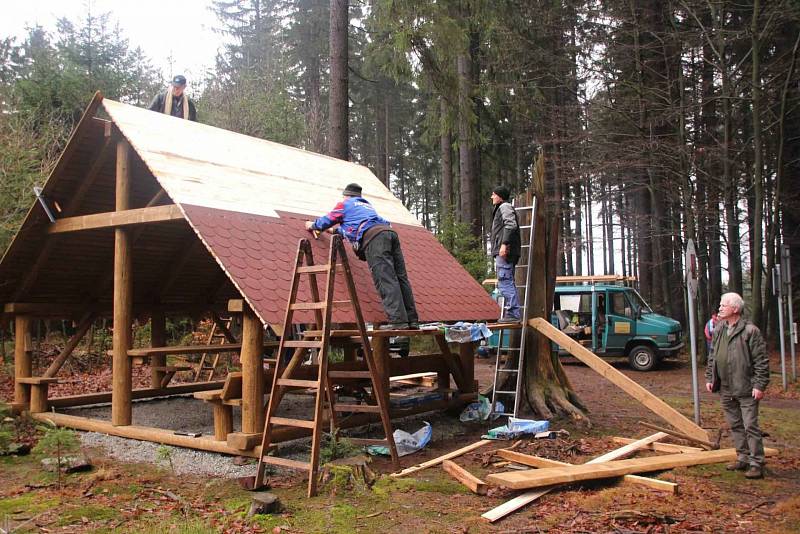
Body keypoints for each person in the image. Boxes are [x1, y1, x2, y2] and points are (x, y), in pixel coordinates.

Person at [305, 183, 418, 330]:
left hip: (375, 238)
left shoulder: (345, 204)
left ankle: (398, 322)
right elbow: (353, 228)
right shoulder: (366, 206)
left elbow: (328, 219)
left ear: (347, 195)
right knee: (401, 278)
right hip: (389, 233)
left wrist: (313, 225)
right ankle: (412, 320)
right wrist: (331, 231)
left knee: (385, 278)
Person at [705, 292, 769, 479]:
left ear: (735, 308)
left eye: (723, 305)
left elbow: (761, 361)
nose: (720, 308)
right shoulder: (719, 329)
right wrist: (710, 377)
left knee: (750, 425)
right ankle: (743, 458)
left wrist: (759, 385)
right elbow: (713, 357)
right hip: (725, 387)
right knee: (735, 425)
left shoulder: (751, 331)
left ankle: (756, 463)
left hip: (746, 387)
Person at [490, 185, 521, 322]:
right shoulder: (502, 207)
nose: (492, 196)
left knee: (504, 281)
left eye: (494, 194)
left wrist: (504, 244)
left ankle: (513, 313)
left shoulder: (505, 207)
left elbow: (511, 225)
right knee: (506, 280)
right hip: (504, 250)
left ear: (500, 196)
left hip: (505, 251)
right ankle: (513, 312)